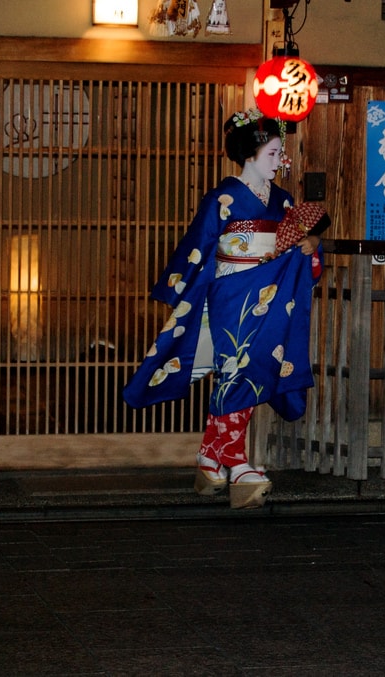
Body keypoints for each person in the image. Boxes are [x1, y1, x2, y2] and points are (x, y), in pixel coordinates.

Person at [122, 109, 329, 509]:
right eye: (272, 153)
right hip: (231, 293)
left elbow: (297, 243)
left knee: (252, 369)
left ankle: (209, 458)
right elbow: (198, 247)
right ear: (249, 154)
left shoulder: (284, 201)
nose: (279, 161)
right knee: (237, 370)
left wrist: (310, 247)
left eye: (279, 153)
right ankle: (237, 465)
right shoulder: (223, 197)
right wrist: (180, 287)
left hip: (270, 293)